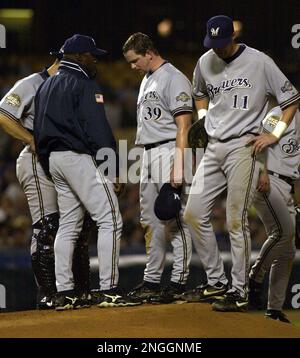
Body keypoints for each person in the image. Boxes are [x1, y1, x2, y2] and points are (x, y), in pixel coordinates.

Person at [182, 15, 300, 312]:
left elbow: (291, 100)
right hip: (213, 146)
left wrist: (273, 134)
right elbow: (198, 95)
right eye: (213, 43)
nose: (218, 49)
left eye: (222, 43)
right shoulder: (204, 61)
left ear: (233, 36)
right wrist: (203, 118)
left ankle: (240, 290)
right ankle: (217, 281)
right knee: (193, 214)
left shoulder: (260, 61)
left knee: (236, 219)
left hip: (243, 145)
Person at [34, 34, 140, 310]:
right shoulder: (82, 83)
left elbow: (39, 133)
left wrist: (49, 164)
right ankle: (109, 289)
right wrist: (114, 168)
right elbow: (98, 131)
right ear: (79, 57)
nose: (96, 59)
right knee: (111, 219)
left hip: (55, 159)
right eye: (92, 55)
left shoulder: (46, 86)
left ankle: (65, 292)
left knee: (69, 225)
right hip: (77, 158)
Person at [0, 53, 93, 309]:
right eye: (83, 61)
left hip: (64, 162)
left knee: (79, 226)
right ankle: (49, 294)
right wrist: (30, 140)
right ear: (65, 61)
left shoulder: (72, 87)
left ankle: (79, 292)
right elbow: (4, 114)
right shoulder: (31, 83)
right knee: (48, 226)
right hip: (35, 161)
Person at [122, 32, 192, 303]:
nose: (132, 66)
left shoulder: (173, 77)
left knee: (173, 218)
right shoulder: (146, 80)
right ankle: (152, 280)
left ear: (149, 53)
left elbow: (184, 125)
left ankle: (179, 281)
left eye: (135, 60)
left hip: (167, 149)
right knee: (150, 220)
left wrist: (179, 164)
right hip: (148, 153)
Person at [249, 106, 300, 323]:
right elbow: (260, 140)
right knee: (283, 231)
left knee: (288, 250)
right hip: (268, 178)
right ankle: (254, 277)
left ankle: (274, 309)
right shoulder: (280, 111)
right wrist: (262, 171)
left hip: (287, 185)